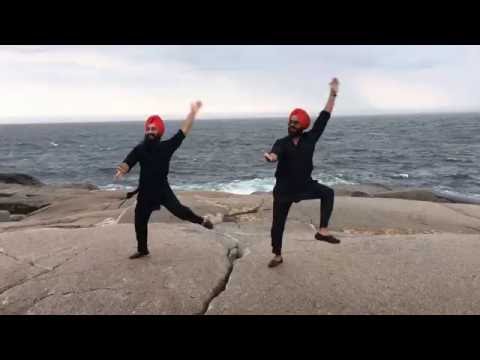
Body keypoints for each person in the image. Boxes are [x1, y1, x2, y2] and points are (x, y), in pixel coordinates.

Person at [115, 101, 214, 259]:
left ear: (159, 131)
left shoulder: (167, 147)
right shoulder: (140, 149)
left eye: (153, 129)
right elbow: (129, 161)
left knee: (180, 212)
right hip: (145, 191)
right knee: (139, 221)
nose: (150, 131)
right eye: (148, 129)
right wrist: (123, 169)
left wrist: (192, 113)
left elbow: (184, 131)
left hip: (162, 190)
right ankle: (143, 250)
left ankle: (201, 221)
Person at [264, 78, 340, 268]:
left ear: (303, 125)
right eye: (290, 121)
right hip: (284, 190)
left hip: (305, 185)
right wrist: (272, 157)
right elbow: (275, 152)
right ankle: (277, 255)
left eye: (295, 123)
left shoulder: (310, 139)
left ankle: (322, 231)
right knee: (277, 226)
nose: (291, 124)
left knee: (328, 193)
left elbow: (324, 117)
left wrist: (332, 95)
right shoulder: (282, 142)